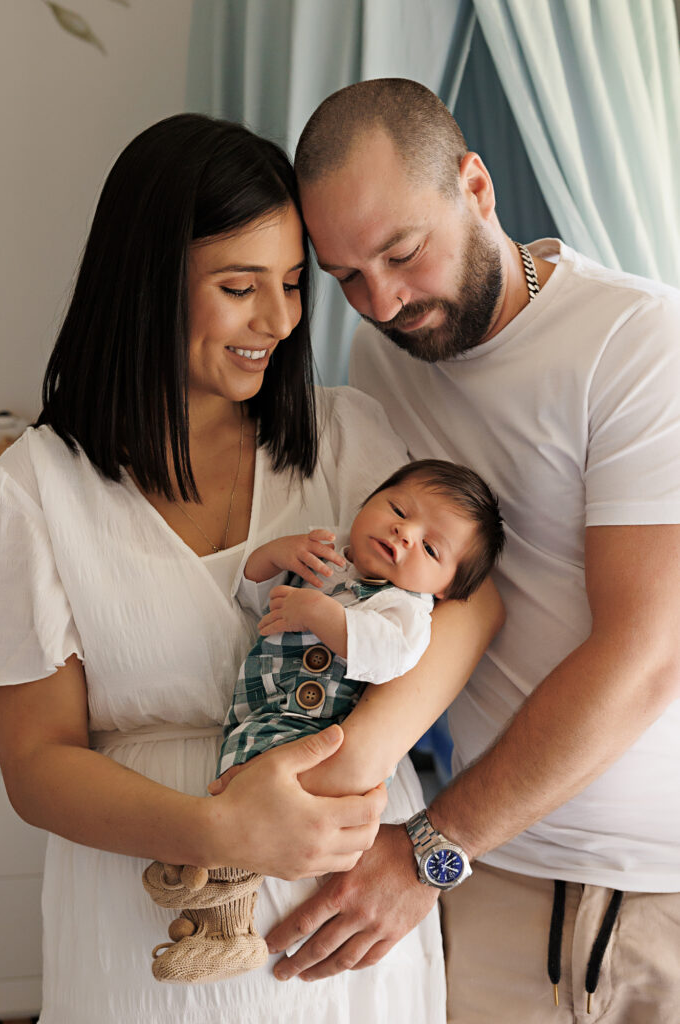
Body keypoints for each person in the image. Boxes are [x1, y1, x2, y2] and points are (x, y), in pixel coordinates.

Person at [0, 112, 504, 1024]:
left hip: (343, 919)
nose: (277, 321)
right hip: (143, 929)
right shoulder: (36, 488)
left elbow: (469, 608)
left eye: (290, 283)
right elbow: (36, 763)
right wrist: (219, 829)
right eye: (239, 287)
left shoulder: (348, 439)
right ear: (149, 286)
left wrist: (349, 773)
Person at [262, 79, 680, 1024]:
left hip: (659, 890)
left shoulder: (636, 341)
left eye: (403, 253)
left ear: (476, 187)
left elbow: (647, 656)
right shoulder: (385, 361)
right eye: (347, 279)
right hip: (493, 882)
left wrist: (428, 850)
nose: (385, 301)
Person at [141, 458, 505, 984]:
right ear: (369, 502)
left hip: (314, 733)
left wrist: (318, 613)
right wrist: (273, 557)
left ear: (445, 589)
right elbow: (247, 600)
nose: (405, 533)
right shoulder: (329, 554)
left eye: (430, 548)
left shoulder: (408, 610)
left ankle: (223, 930)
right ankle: (200, 886)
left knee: (258, 819)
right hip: (262, 713)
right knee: (234, 798)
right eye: (398, 510)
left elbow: (387, 657)